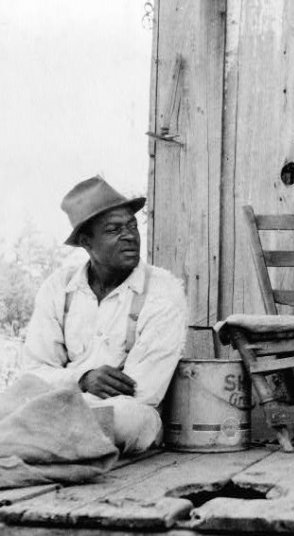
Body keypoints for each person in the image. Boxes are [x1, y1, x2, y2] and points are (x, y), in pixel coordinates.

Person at [22, 176, 187, 454]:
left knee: (127, 418)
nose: (130, 236)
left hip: (124, 414)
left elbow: (143, 391)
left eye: (132, 225)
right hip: (63, 406)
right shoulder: (59, 287)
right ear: (87, 242)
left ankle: (33, 441)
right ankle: (51, 443)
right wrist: (83, 378)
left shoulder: (163, 290)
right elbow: (35, 371)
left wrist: (62, 389)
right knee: (17, 397)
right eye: (114, 229)